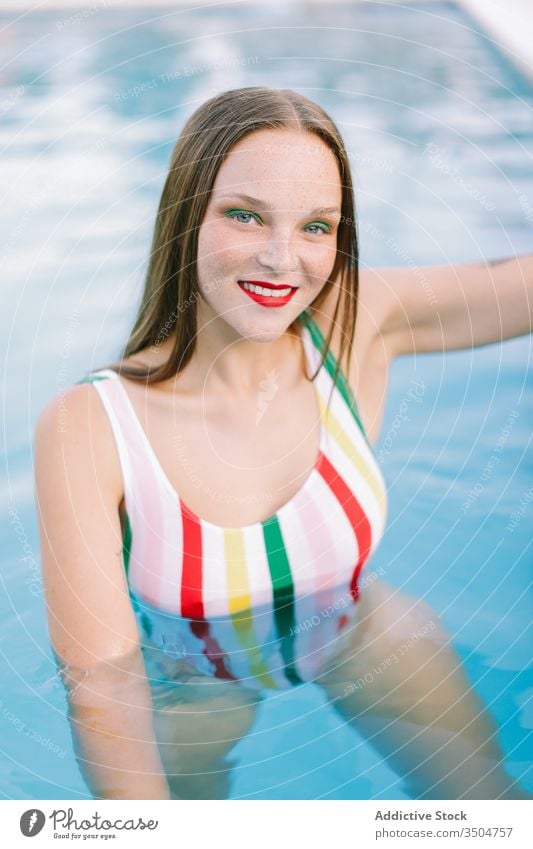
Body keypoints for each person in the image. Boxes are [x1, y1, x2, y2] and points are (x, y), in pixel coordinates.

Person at [33, 86, 532, 800]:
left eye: (316, 227)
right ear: (186, 218)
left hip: (359, 632)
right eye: (245, 215)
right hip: (195, 684)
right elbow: (104, 687)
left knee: (492, 807)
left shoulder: (354, 325)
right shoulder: (90, 424)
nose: (281, 259)